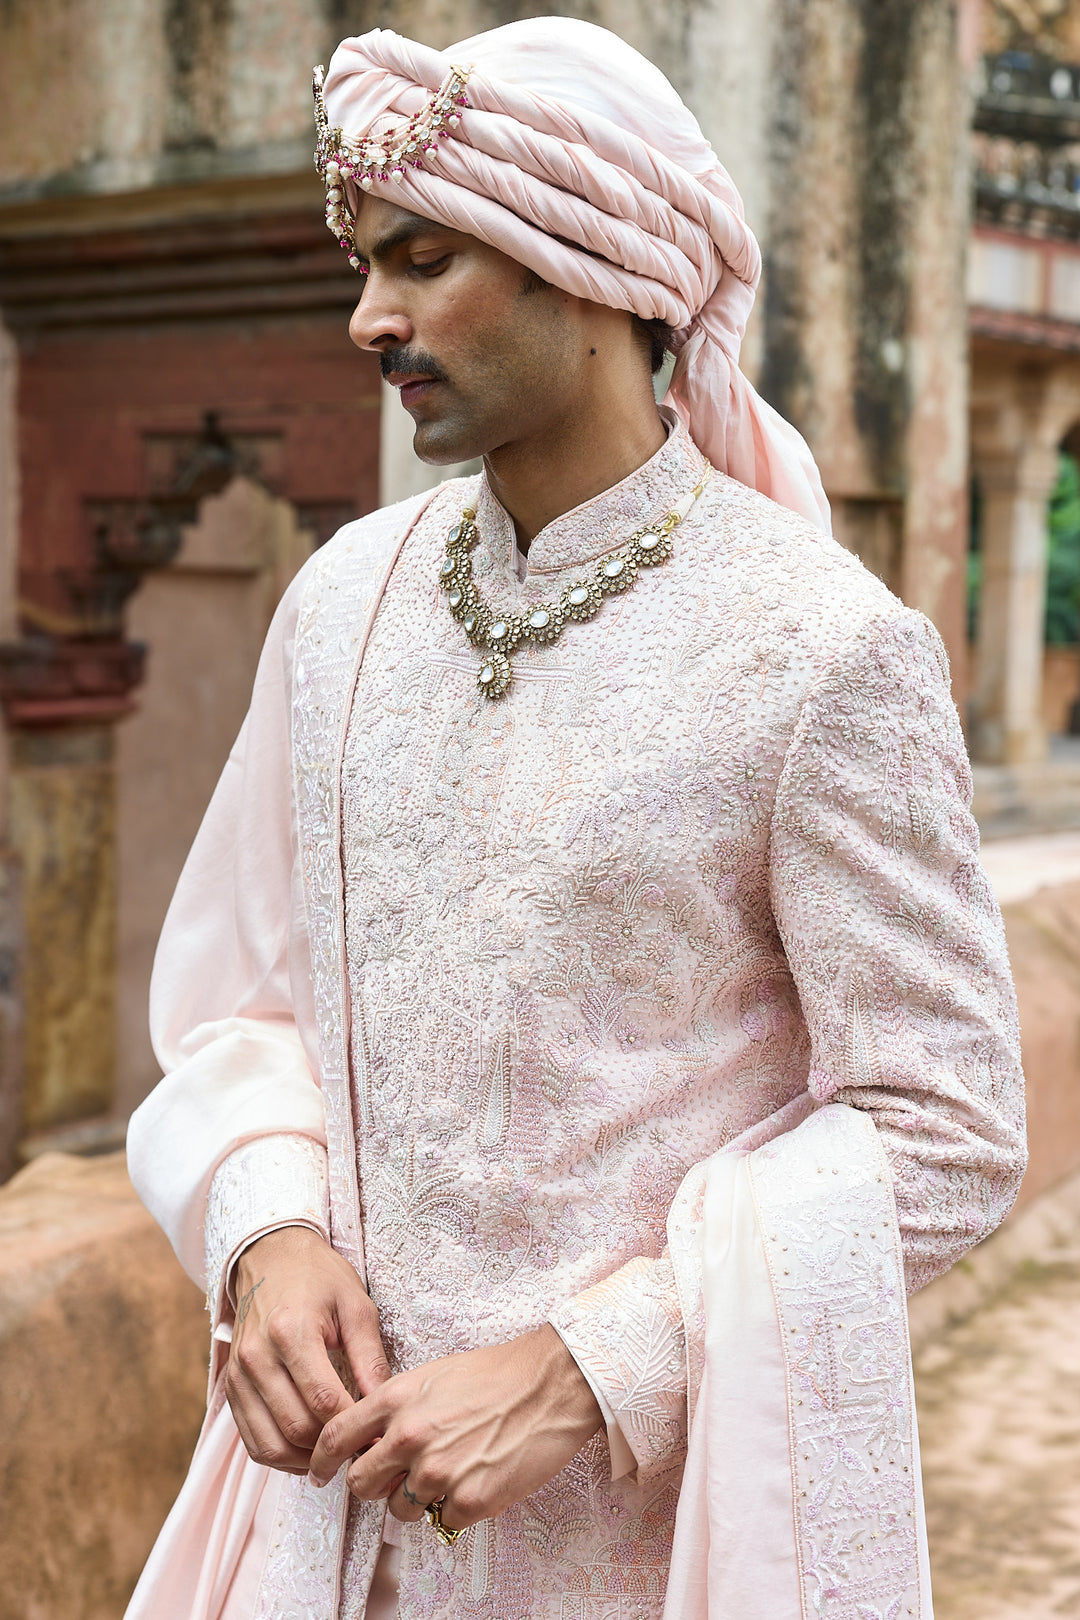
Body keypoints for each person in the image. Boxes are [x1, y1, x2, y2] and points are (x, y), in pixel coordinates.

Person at [125, 17, 1026, 1620]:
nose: (367, 317)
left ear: (588, 259)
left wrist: (586, 1370)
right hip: (324, 1528)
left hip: (636, 1550)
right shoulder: (342, 606)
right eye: (365, 264)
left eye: (422, 260)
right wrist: (265, 1234)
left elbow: (944, 1124)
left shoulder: (820, 650)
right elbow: (244, 1005)